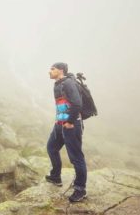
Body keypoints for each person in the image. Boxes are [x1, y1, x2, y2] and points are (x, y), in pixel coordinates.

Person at [46, 62, 87, 202]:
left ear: (61, 70)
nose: (49, 71)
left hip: (71, 125)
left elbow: (77, 104)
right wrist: (60, 121)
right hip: (60, 124)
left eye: (52, 69)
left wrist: (69, 121)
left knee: (76, 158)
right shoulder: (58, 83)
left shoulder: (69, 83)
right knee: (51, 148)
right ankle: (56, 176)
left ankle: (80, 190)